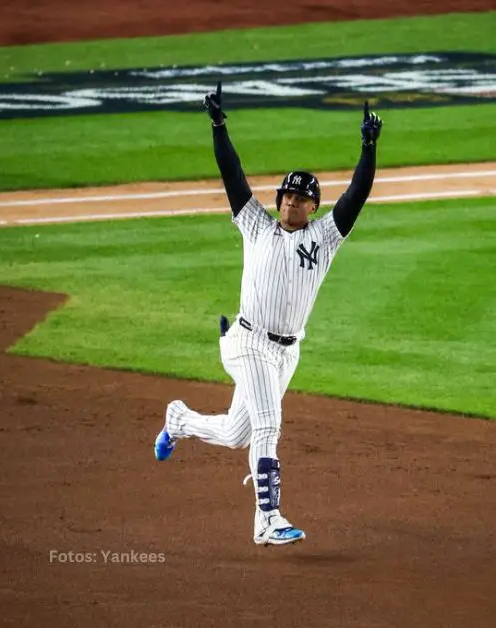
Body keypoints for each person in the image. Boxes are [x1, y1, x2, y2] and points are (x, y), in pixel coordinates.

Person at [153, 82, 383, 546]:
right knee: (269, 424)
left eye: (301, 198)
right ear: (277, 200)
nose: (291, 202)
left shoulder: (325, 238)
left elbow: (357, 195)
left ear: (314, 206)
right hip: (247, 342)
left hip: (286, 352)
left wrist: (367, 148)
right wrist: (219, 125)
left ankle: (178, 420)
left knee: (239, 432)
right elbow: (232, 172)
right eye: (286, 195)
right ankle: (267, 519)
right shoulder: (254, 223)